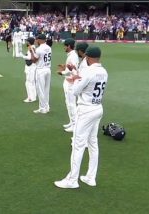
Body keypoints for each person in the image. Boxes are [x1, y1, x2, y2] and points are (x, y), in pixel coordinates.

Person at [54, 46, 108, 189]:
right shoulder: (104, 71)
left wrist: (76, 79)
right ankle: (91, 177)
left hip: (86, 110)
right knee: (93, 143)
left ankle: (72, 180)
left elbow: (76, 91)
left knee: (78, 145)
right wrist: (78, 75)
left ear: (88, 58)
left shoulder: (88, 72)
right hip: (98, 108)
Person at [57, 38, 79, 132]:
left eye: (65, 46)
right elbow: (70, 68)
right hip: (68, 81)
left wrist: (62, 72)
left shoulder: (72, 56)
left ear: (69, 46)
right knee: (68, 103)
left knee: (71, 104)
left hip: (71, 82)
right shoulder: (71, 55)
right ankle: (71, 122)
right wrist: (64, 67)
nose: (64, 47)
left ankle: (74, 124)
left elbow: (72, 70)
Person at [30, 34, 52, 113]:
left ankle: (42, 108)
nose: (36, 41)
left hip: (41, 70)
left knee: (40, 89)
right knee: (46, 89)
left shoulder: (39, 49)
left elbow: (34, 60)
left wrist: (31, 51)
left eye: (37, 39)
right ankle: (46, 107)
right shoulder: (49, 48)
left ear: (40, 40)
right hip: (48, 69)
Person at [19, 37, 37, 103]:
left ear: (29, 42)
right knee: (32, 82)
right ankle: (33, 97)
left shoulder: (31, 48)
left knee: (28, 82)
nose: (26, 42)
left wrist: (22, 56)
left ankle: (30, 98)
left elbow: (30, 58)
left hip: (30, 67)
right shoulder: (34, 47)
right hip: (33, 66)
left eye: (27, 41)